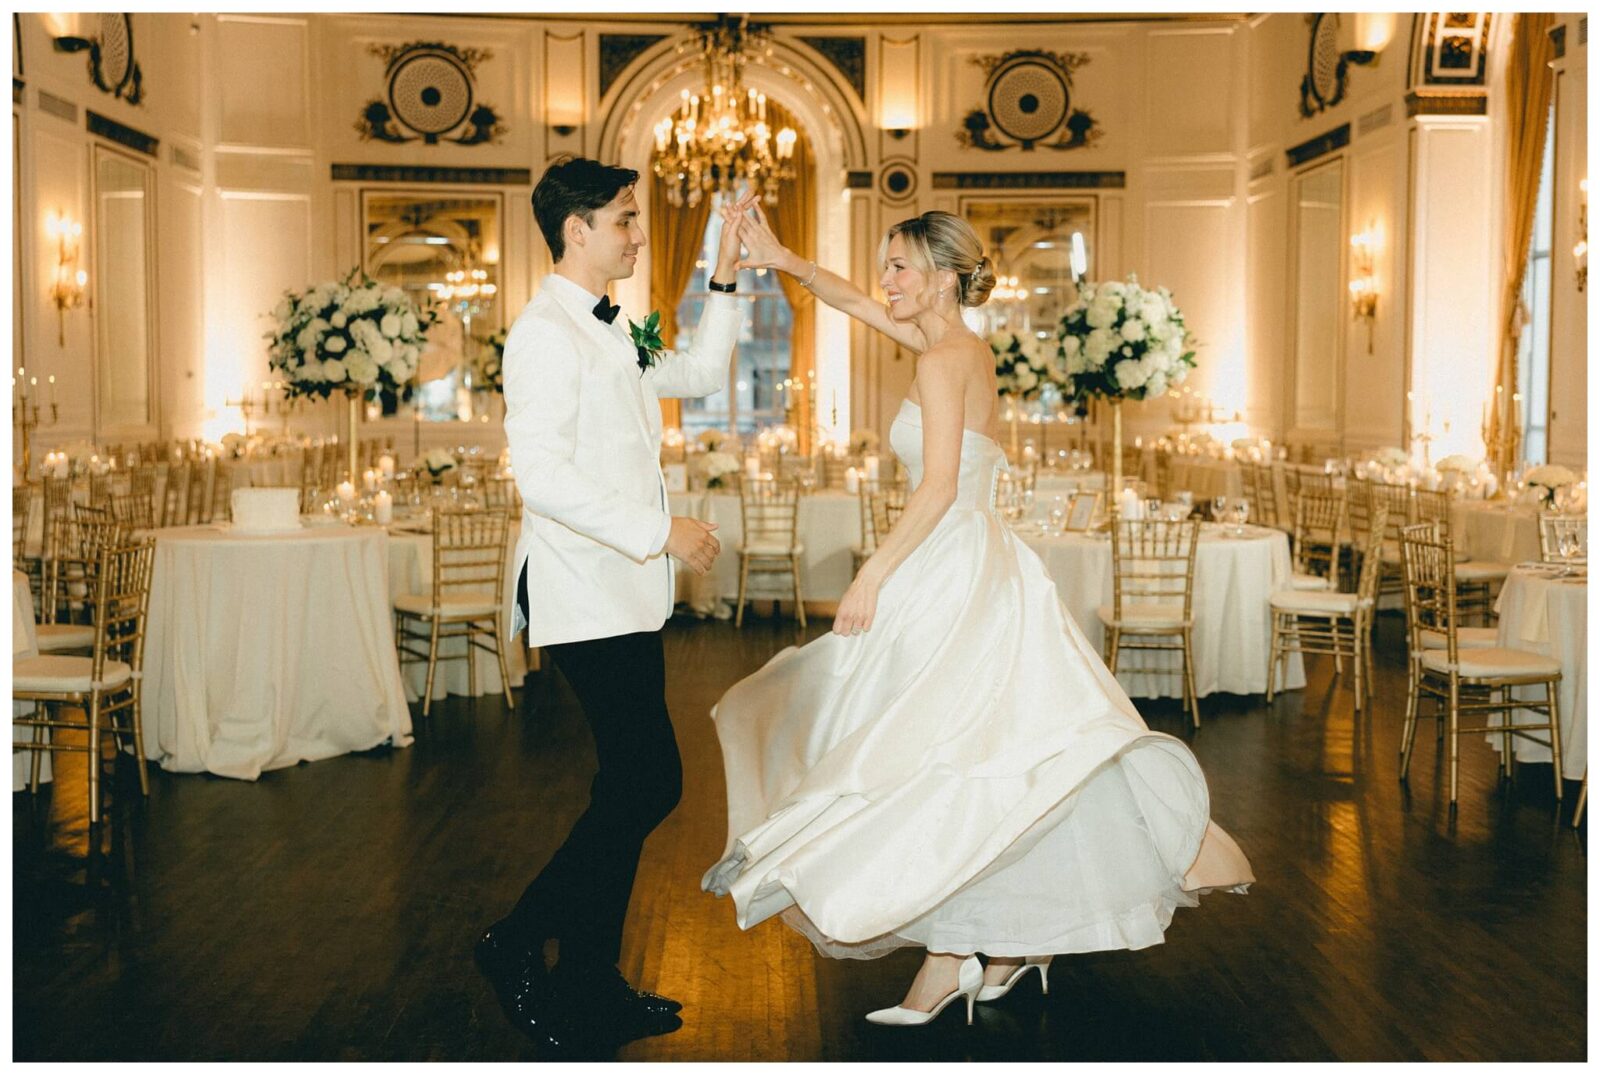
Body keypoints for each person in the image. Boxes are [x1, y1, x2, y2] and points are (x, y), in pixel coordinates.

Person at [701, 208, 1254, 1026]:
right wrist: (783, 257)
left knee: (939, 759)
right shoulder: (955, 347)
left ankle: (955, 957)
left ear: (942, 276)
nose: (884, 280)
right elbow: (849, 299)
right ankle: (1002, 947)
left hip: (948, 562)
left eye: (899, 268)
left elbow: (938, 486)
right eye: (885, 267)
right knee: (976, 758)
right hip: (975, 558)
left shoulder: (940, 361)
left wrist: (873, 575)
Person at [479, 156, 753, 1053]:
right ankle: (518, 939)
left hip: (621, 591)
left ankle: (588, 980)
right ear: (578, 231)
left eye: (637, 218)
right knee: (650, 780)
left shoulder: (616, 325)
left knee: (626, 785)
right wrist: (661, 530)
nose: (637, 233)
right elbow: (546, 477)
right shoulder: (542, 335)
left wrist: (723, 270)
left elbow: (703, 373)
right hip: (579, 583)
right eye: (626, 219)